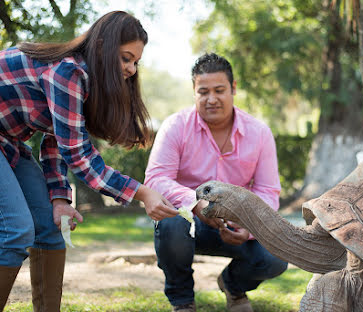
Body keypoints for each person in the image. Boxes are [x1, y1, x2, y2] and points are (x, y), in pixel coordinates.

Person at [0, 11, 178, 312]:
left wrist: (58, 198)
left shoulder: (82, 81)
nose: (132, 69)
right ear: (101, 48)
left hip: (8, 144)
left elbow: (56, 139)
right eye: (125, 58)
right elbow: (80, 158)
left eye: (136, 61)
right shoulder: (68, 72)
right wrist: (142, 192)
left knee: (51, 226)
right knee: (17, 229)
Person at [145, 53, 288, 312]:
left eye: (219, 90)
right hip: (188, 224)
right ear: (194, 92)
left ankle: (233, 286)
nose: (211, 99)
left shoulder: (259, 133)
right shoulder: (175, 126)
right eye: (203, 92)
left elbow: (268, 191)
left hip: (236, 226)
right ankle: (183, 302)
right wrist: (194, 204)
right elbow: (156, 179)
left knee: (276, 257)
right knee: (171, 221)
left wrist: (249, 224)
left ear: (233, 88)